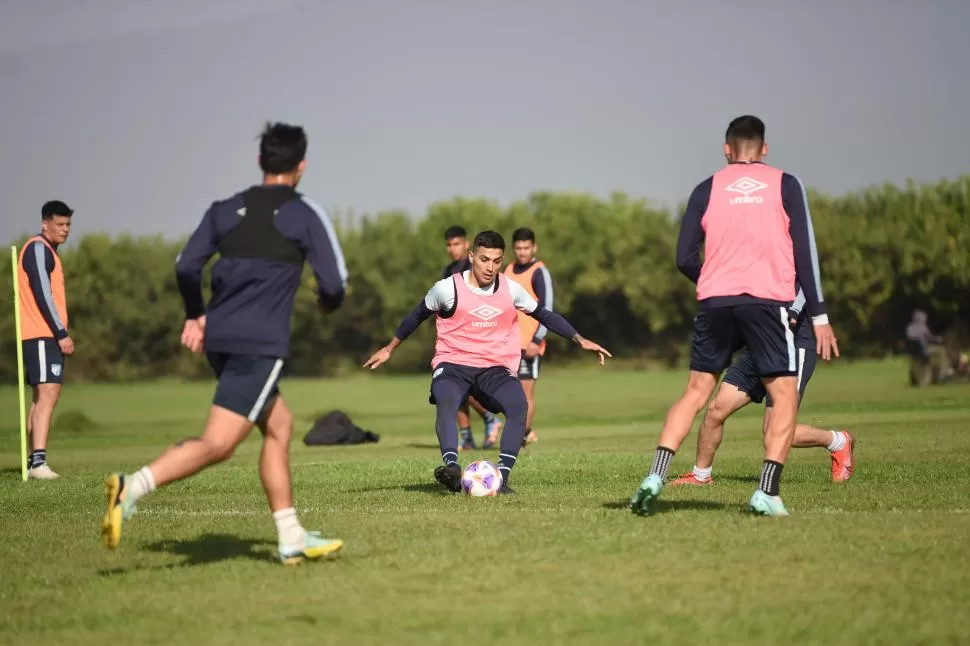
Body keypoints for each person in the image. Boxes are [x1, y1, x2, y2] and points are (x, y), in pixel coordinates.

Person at [101, 122, 349, 565]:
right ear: (301, 167)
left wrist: (196, 313)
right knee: (220, 444)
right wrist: (329, 304)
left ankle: (291, 535)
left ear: (260, 163)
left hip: (221, 339)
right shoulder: (304, 213)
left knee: (280, 426)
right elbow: (334, 283)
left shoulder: (223, 209)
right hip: (259, 344)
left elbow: (186, 266)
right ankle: (131, 486)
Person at [629, 115, 839, 518]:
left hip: (715, 302)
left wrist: (710, 278)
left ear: (727, 150)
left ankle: (655, 476)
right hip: (766, 302)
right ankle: (767, 492)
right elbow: (804, 251)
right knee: (783, 396)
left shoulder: (706, 188)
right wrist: (820, 314)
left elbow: (683, 257)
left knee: (695, 393)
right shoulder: (785, 184)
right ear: (764, 149)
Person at [363, 230, 610, 493]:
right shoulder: (447, 288)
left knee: (518, 405)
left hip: (494, 368)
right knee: (447, 400)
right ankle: (452, 468)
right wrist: (390, 348)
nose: (490, 267)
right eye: (484, 259)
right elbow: (416, 316)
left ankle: (501, 478)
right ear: (472, 257)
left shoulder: (511, 290)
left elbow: (545, 315)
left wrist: (579, 339)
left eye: (496, 261)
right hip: (453, 364)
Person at [670, 287, 855, 487]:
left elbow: (805, 284)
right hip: (758, 349)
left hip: (792, 349)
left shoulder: (791, 256)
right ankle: (701, 476)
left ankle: (838, 442)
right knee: (716, 410)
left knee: (774, 431)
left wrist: (792, 311)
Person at [17, 200, 76, 480]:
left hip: (44, 334)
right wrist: (60, 332)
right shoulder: (38, 249)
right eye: (60, 224)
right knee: (48, 394)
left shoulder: (48, 250)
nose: (65, 230)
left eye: (68, 225)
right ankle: (38, 462)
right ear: (45, 223)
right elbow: (42, 293)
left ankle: (34, 460)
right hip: (42, 334)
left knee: (42, 396)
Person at [440, 225, 505, 450]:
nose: (452, 249)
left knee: (464, 386)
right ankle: (467, 437)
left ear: (467, 245)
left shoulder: (476, 268)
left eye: (456, 243)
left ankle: (489, 418)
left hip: (477, 338)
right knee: (451, 386)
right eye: (449, 245)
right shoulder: (449, 270)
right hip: (454, 338)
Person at [503, 227, 554, 447]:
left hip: (529, 345)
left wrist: (537, 339)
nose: (522, 252)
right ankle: (523, 432)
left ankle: (521, 437)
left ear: (534, 247)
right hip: (507, 345)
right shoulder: (508, 269)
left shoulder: (539, 271)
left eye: (526, 247)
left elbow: (548, 308)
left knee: (525, 394)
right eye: (518, 248)